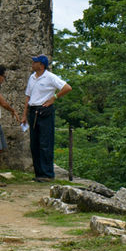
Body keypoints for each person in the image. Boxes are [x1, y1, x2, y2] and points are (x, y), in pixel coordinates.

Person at [22, 54, 72, 182]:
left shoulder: (50, 77)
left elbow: (67, 88)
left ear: (41, 65)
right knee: (35, 143)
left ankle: (48, 174)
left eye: (35, 62)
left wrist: (53, 98)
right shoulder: (32, 78)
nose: (33, 64)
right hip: (33, 110)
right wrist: (24, 114)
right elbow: (28, 97)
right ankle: (39, 173)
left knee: (45, 142)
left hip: (44, 111)